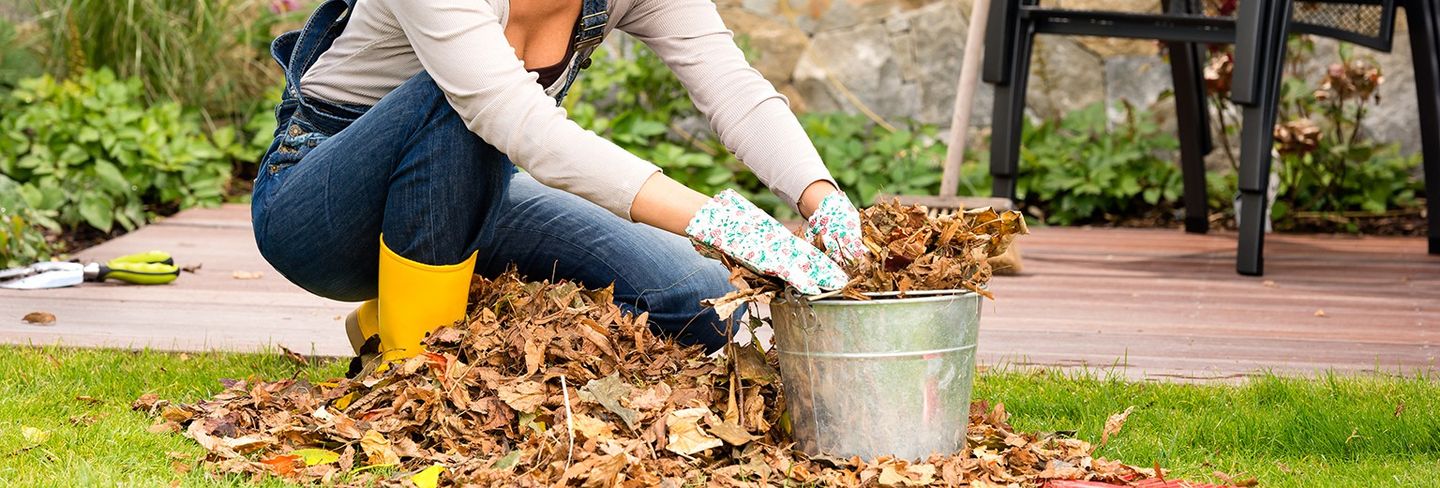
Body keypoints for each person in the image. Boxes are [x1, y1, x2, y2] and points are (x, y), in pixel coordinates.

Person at [252, 0, 866, 371]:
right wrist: (717, 221)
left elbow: (730, 85)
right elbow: (508, 114)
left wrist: (821, 197)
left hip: (479, 191)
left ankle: (405, 309)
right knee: (455, 100)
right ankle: (412, 370)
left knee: (698, 295)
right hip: (320, 208)